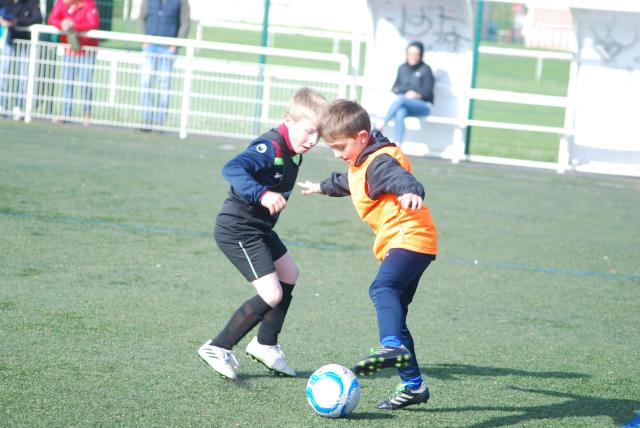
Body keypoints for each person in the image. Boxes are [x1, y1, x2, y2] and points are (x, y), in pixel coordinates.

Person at [298, 99, 438, 410]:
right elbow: (348, 182)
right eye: (332, 149)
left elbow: (398, 177)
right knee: (396, 315)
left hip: (409, 239)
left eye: (341, 147)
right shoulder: (361, 163)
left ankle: (389, 347)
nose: (337, 154)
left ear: (362, 137)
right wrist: (322, 186)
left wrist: (410, 191)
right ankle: (414, 386)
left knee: (381, 289)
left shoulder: (380, 161)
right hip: (410, 245)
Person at [197, 87, 328, 381]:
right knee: (271, 293)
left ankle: (265, 344)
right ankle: (217, 347)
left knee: (290, 273)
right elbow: (232, 168)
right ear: (288, 120)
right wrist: (263, 194)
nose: (313, 140)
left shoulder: (294, 152)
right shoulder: (269, 147)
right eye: (308, 132)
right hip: (238, 229)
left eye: (318, 135)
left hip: (260, 228)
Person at [137, 0, 190, 130]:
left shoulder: (181, 1)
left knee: (164, 84)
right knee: (146, 82)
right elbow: (141, 18)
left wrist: (175, 45)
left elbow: (185, 23)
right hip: (150, 46)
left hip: (168, 48)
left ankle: (160, 121)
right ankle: (147, 119)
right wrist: (144, 39)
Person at [48, 0, 99, 124]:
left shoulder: (88, 4)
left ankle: (87, 115)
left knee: (85, 83)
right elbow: (52, 19)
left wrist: (74, 26)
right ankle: (66, 113)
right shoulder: (61, 4)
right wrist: (62, 24)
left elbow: (93, 23)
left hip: (86, 50)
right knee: (67, 82)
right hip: (69, 49)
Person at [375, 41, 435, 146]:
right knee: (400, 112)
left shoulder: (426, 69)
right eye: (411, 54)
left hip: (423, 106)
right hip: (406, 105)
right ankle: (397, 144)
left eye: (416, 54)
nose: (413, 57)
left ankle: (382, 123)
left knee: (402, 99)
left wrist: (417, 95)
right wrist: (408, 91)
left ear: (421, 55)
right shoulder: (402, 68)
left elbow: (428, 93)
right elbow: (395, 88)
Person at [0, 0, 41, 120]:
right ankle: (1, 104)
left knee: (23, 76)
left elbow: (37, 18)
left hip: (25, 43)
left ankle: (18, 106)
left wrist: (17, 22)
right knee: (3, 73)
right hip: (8, 41)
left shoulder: (32, 2)